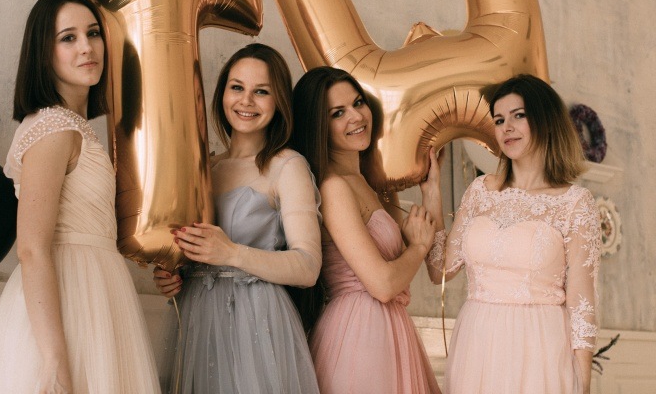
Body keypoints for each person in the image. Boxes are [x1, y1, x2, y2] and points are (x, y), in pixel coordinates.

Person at [0, 0, 160, 393]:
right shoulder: (54, 128)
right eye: (68, 38)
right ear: (43, 53)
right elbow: (31, 248)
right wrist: (54, 358)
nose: (87, 47)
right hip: (68, 300)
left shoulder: (76, 128)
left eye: (93, 33)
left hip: (97, 294)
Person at [153, 43, 321, 394]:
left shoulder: (287, 166)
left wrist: (231, 253)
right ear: (222, 94)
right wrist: (173, 274)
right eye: (237, 87)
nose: (246, 101)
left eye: (261, 91)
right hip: (195, 319)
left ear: (279, 102)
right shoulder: (205, 166)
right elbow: (189, 248)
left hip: (255, 322)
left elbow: (308, 267)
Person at [421, 74, 601, 394]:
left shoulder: (574, 203)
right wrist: (432, 191)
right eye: (499, 119)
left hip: (540, 348)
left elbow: (581, 303)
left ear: (545, 120)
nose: (507, 127)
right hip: (477, 345)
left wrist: (583, 385)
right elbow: (440, 271)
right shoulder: (480, 191)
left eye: (519, 115)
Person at [291, 66, 442, 394]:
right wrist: (417, 247)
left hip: (391, 331)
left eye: (358, 102)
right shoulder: (333, 188)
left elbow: (438, 267)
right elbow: (383, 285)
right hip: (359, 335)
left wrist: (432, 193)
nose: (356, 116)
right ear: (318, 126)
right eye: (338, 113)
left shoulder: (372, 185)